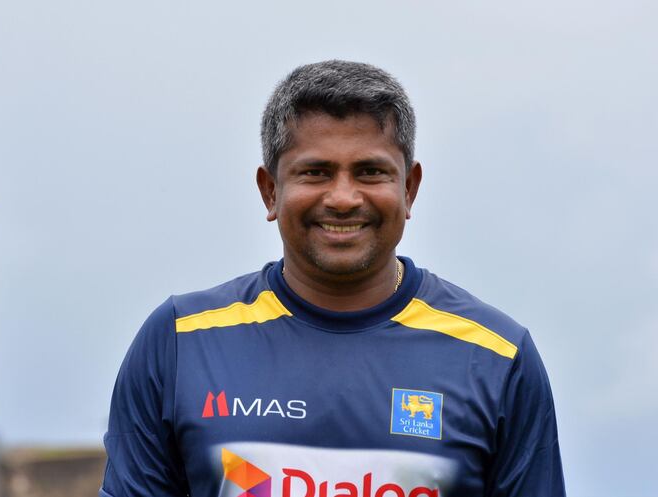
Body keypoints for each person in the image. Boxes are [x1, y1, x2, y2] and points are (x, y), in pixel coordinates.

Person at [99, 60, 565, 497]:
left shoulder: (497, 357)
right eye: (316, 172)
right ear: (270, 191)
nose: (343, 198)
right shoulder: (181, 340)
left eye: (370, 171)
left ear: (409, 188)